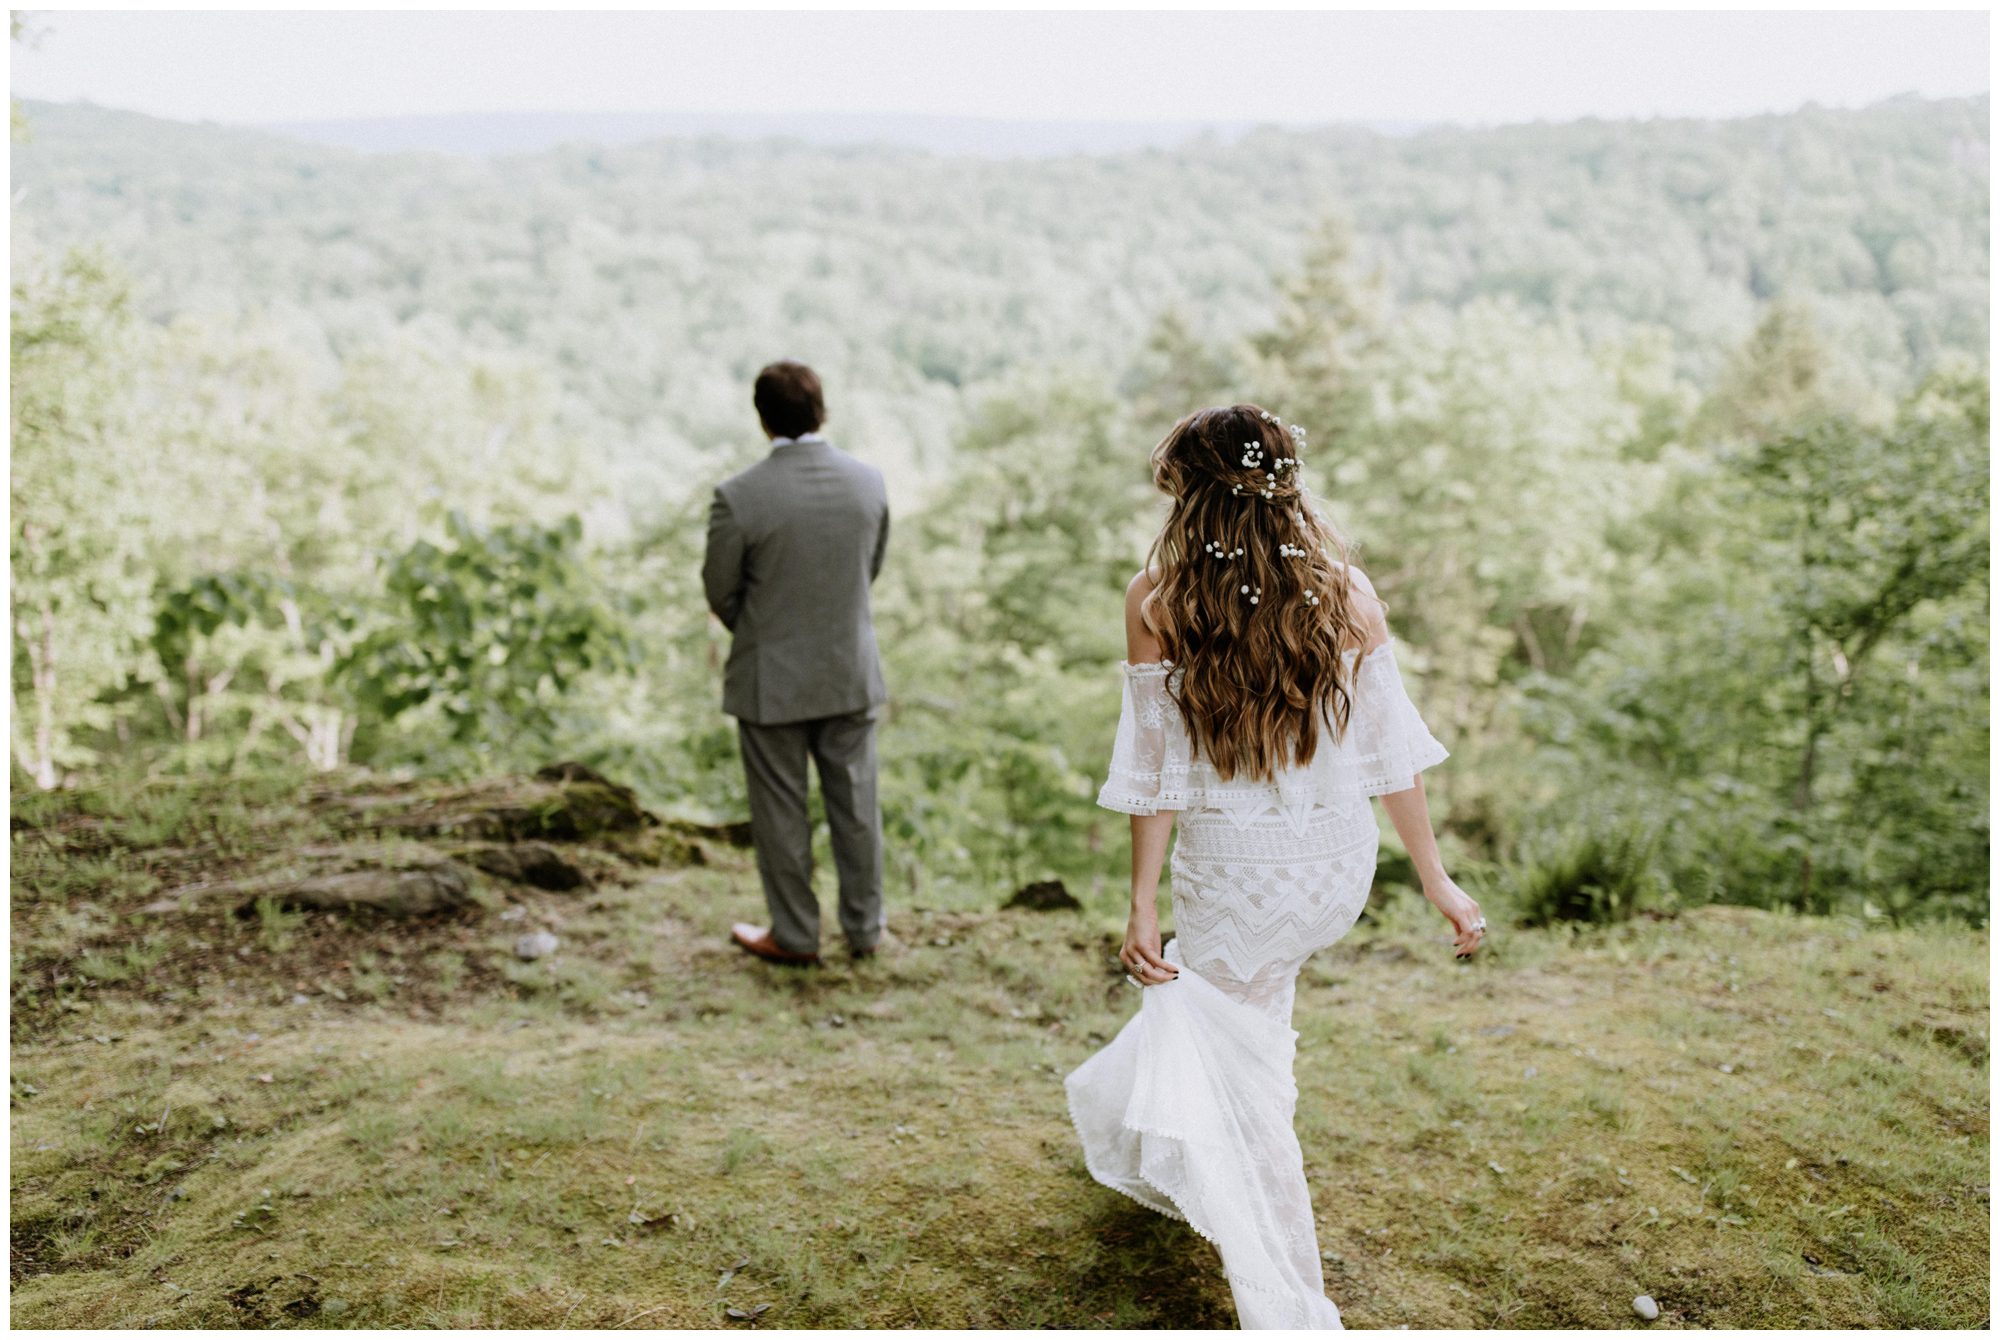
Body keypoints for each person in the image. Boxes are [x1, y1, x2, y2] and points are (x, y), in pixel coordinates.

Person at [1064, 403, 1485, 1329]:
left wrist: (1142, 902)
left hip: (1235, 874)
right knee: (1240, 1023)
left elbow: (1155, 767)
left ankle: (1280, 1283)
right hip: (1334, 870)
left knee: (1231, 1049)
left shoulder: (1159, 600)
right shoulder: (1346, 592)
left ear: (1196, 497)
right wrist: (1435, 878)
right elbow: (1390, 756)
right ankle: (1176, 1156)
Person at [702, 361, 891, 967]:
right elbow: (869, 570)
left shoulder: (739, 496)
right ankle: (865, 930)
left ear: (762, 419)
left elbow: (720, 590)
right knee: (857, 806)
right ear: (822, 410)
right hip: (849, 668)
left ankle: (795, 934)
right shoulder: (869, 483)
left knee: (780, 813)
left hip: (770, 679)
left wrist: (764, 632)